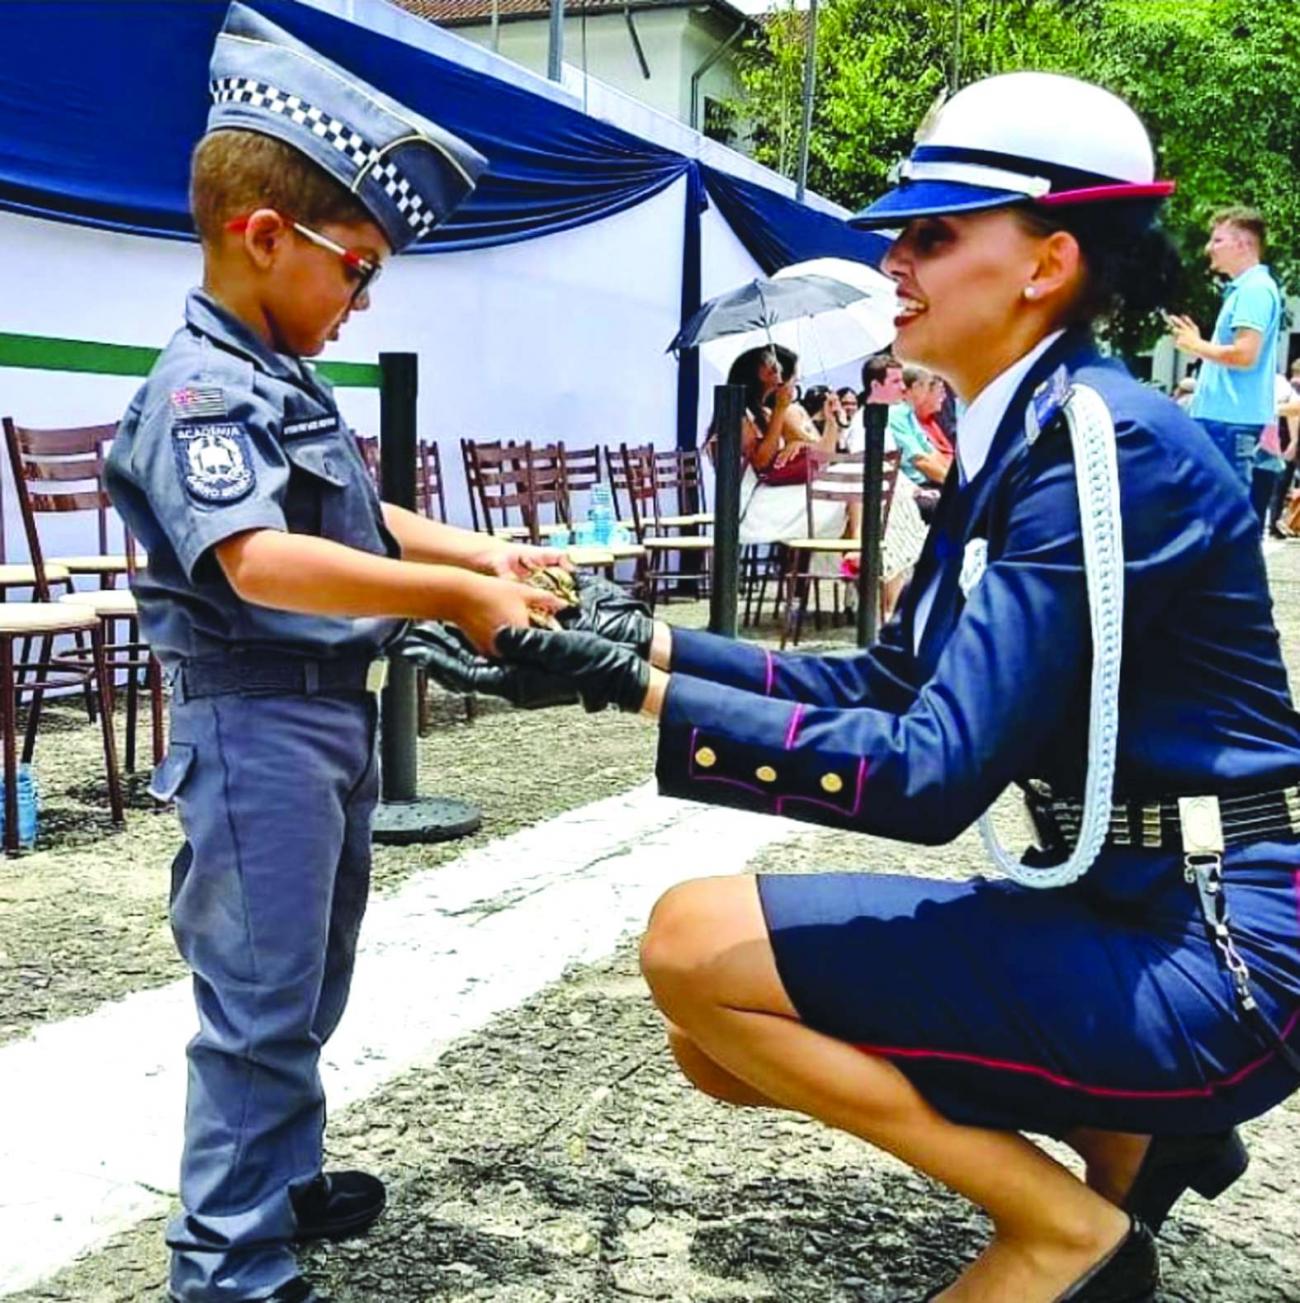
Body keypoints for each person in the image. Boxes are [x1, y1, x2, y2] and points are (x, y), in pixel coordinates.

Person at [437, 71, 1300, 1302]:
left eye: (932, 235)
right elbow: (893, 675)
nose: (893, 258)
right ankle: (1135, 1140)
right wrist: (640, 649)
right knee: (715, 1039)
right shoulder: (1027, 430)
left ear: (1048, 263)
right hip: (1130, 906)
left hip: (1211, 947)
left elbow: (930, 772)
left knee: (696, 944)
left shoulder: (1101, 445)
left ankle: (1064, 1232)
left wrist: (633, 694)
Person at [105, 8, 565, 1302]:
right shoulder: (199, 390)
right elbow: (258, 559)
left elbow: (355, 516)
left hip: (321, 721)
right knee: (256, 1005)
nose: (361, 302)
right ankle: (227, 1265)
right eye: (355, 269)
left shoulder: (277, 370)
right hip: (254, 725)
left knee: (311, 977)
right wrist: (451, 592)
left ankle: (283, 1180)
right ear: (265, 237)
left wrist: (476, 551)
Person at [1169, 206, 1283, 486]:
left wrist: (1197, 345)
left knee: (1223, 508)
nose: (1209, 248)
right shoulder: (1248, 289)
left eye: (1218, 240)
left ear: (1244, 245)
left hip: (1229, 424)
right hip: (1226, 422)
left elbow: (1245, 355)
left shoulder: (1254, 290)